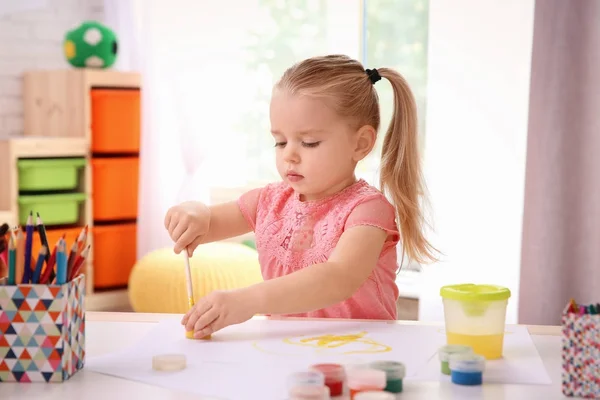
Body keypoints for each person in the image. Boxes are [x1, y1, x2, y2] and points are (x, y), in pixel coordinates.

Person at [164, 54, 437, 339]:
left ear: (361, 144)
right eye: (280, 141)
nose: (289, 155)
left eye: (309, 142)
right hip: (285, 350)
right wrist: (192, 213)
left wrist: (247, 300)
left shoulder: (368, 210)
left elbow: (337, 278)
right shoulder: (269, 200)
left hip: (361, 352)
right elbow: (209, 221)